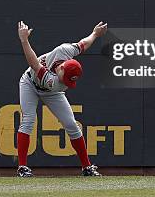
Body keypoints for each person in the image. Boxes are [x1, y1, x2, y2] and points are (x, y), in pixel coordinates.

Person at [16, 20, 108, 177]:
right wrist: (24, 40)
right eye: (67, 79)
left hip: (50, 91)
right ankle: (22, 167)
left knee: (71, 124)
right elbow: (33, 64)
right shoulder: (62, 55)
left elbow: (83, 44)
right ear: (62, 67)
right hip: (30, 83)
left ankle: (86, 167)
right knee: (28, 121)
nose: (67, 84)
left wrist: (95, 34)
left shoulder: (58, 84)